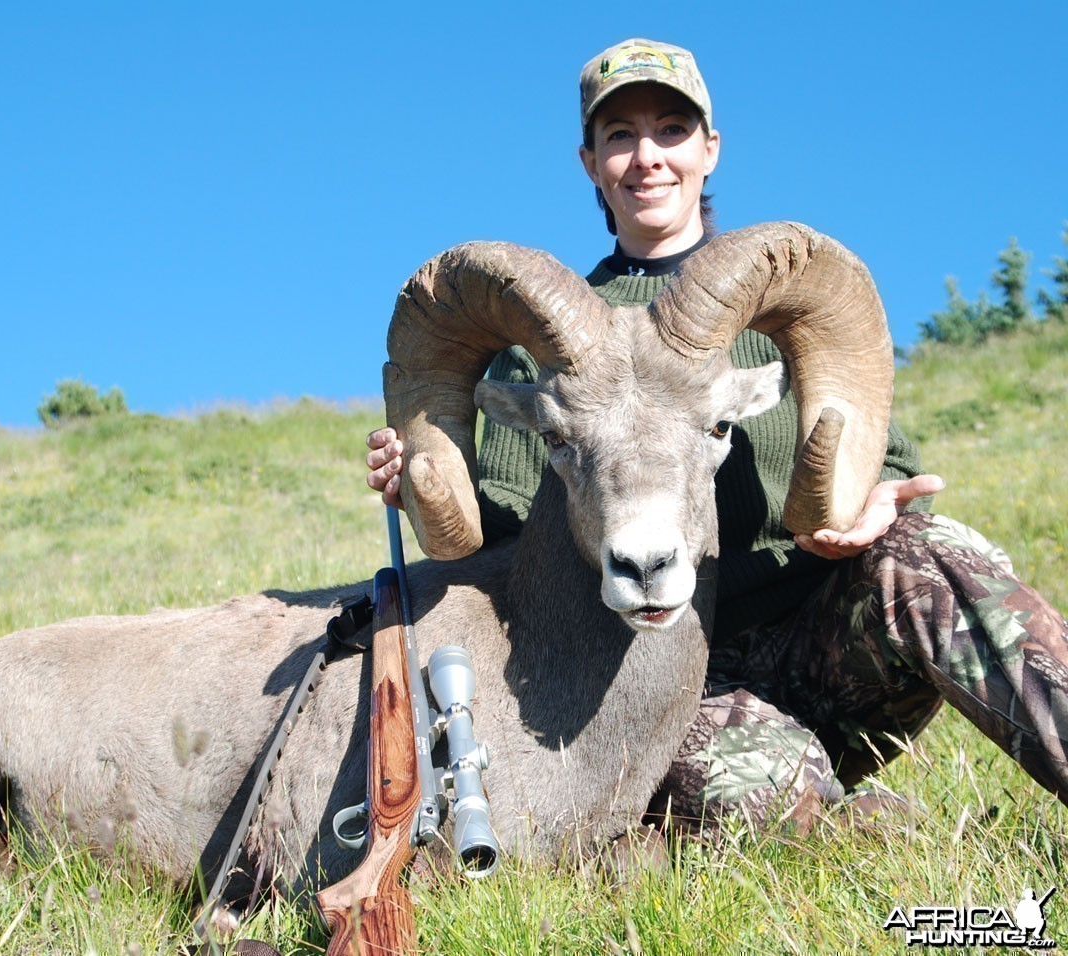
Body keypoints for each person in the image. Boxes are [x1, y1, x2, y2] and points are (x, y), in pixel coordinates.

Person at [367, 38, 1068, 829]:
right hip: (663, 673)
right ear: (590, 162)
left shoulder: (775, 307)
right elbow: (492, 538)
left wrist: (873, 502)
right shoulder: (555, 352)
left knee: (933, 550)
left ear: (710, 149)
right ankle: (871, 830)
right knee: (765, 796)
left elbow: (879, 463)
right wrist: (428, 483)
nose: (646, 157)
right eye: (619, 137)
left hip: (822, 637)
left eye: (670, 129)